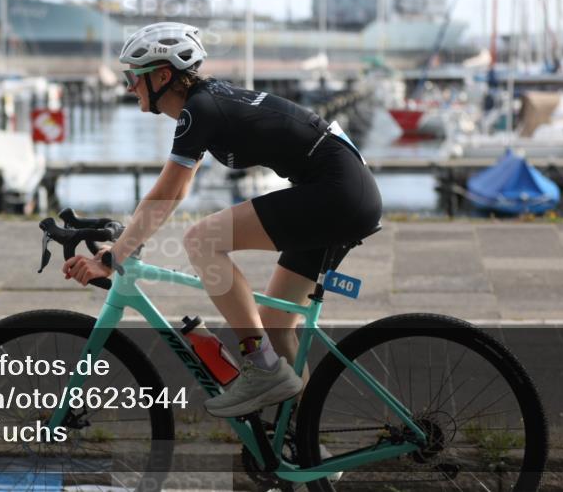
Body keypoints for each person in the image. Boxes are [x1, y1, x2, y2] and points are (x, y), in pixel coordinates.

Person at [62, 21, 382, 419]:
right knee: (274, 325)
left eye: (134, 77)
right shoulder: (207, 103)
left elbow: (169, 194)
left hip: (337, 193)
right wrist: (123, 242)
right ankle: (311, 448)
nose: (129, 87)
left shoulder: (201, 110)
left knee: (202, 240)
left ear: (163, 76)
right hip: (344, 190)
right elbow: (172, 194)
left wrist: (112, 258)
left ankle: (261, 370)